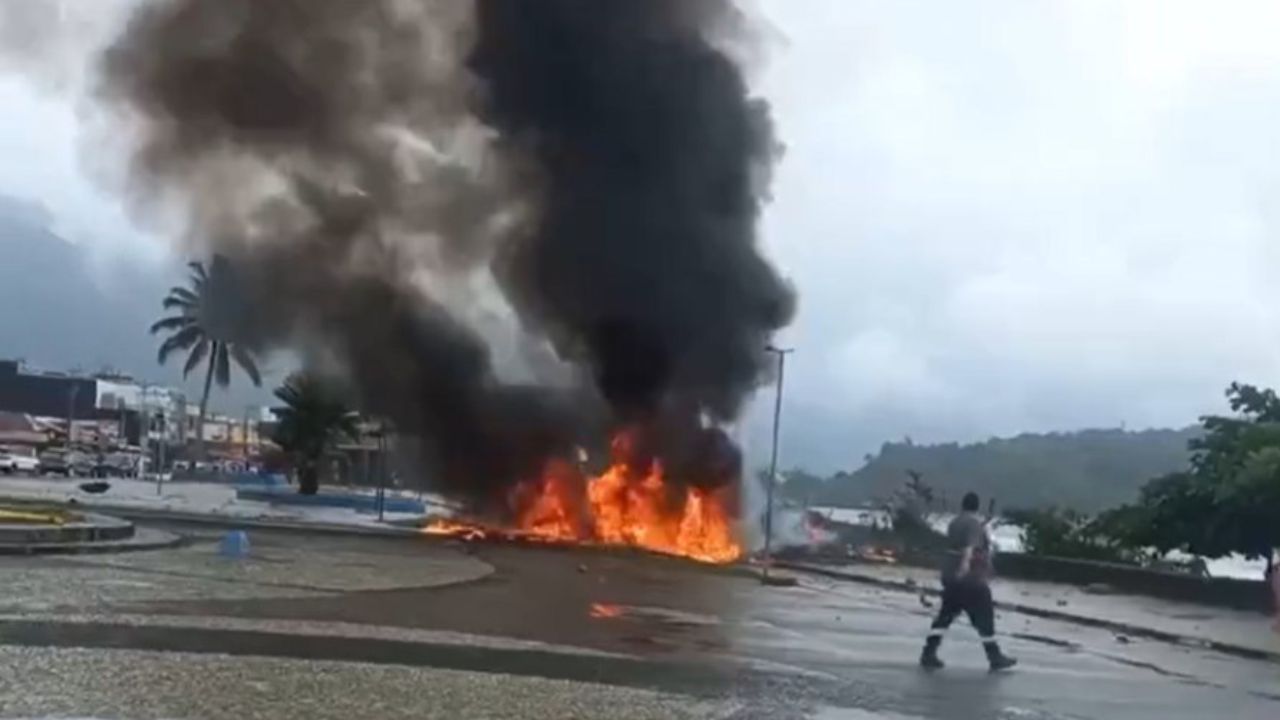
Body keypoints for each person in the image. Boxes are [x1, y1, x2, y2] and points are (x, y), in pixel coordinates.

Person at [919, 491, 1017, 671]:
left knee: (945, 616)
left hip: (950, 576)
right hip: (969, 579)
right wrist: (965, 567)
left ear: (963, 505)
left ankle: (928, 652)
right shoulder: (973, 524)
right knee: (984, 616)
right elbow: (969, 548)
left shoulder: (954, 523)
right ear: (976, 506)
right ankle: (994, 657)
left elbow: (954, 546)